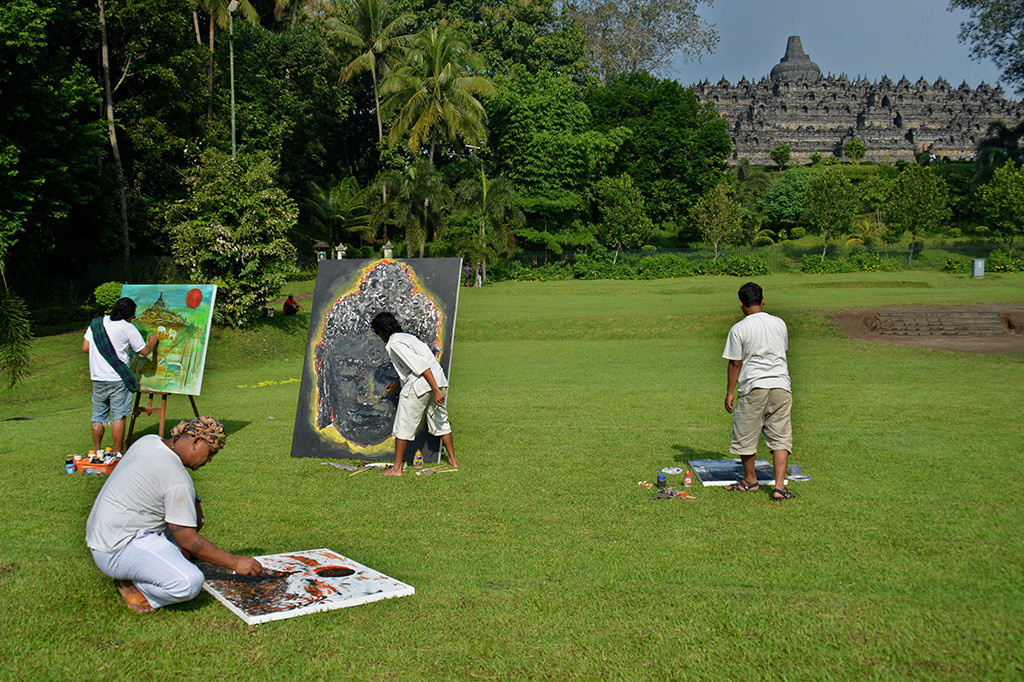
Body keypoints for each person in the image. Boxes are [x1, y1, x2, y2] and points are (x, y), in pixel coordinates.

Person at [86, 416, 263, 613]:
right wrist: (235, 562)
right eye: (210, 453)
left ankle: (145, 568)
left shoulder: (149, 441)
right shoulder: (176, 477)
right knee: (190, 582)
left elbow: (195, 519)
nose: (209, 460)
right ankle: (135, 585)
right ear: (196, 442)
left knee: (188, 525)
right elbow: (188, 540)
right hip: (117, 549)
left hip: (103, 534)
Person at [722, 282, 795, 501]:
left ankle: (750, 481)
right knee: (781, 436)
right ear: (763, 300)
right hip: (782, 385)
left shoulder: (739, 328)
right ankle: (779, 487)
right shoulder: (780, 323)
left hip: (754, 385)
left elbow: (736, 363)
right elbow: (782, 351)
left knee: (746, 432)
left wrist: (729, 391)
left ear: (741, 304)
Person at [370, 311, 457, 476]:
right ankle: (453, 461)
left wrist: (436, 391)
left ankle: (396, 469)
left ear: (381, 331)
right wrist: (397, 383)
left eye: (378, 333)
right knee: (440, 421)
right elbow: (413, 365)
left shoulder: (395, 343)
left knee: (404, 424)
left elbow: (420, 366)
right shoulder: (408, 337)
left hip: (421, 385)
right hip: (438, 380)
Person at [82, 297, 159, 455]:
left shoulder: (96, 324)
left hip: (97, 378)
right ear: (129, 315)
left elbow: (85, 347)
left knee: (98, 416)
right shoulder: (127, 327)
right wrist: (152, 342)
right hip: (117, 379)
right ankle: (117, 453)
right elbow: (144, 352)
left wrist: (102, 353)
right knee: (119, 416)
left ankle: (97, 452)